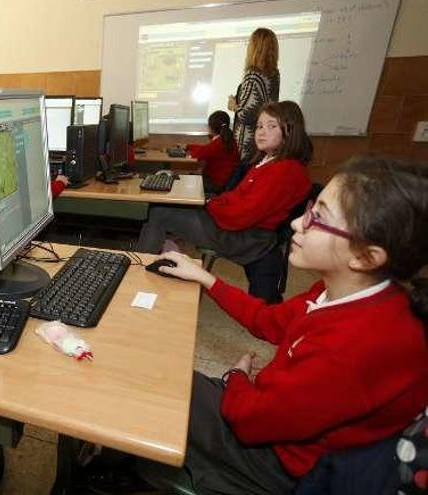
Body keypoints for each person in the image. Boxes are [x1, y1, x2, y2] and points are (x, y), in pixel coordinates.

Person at [153, 155, 428, 494]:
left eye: (318, 218)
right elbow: (266, 320)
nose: (299, 223)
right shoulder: (343, 291)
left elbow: (250, 421)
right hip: (271, 418)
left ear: (365, 256)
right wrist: (207, 279)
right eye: (311, 208)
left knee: (154, 385)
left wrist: (235, 378)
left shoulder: (353, 348)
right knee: (165, 376)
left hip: (276, 463)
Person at [135, 101, 312, 266]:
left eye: (271, 126)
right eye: (259, 126)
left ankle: (136, 268)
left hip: (244, 239)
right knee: (166, 210)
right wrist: (214, 203)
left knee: (159, 214)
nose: (261, 131)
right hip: (238, 229)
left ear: (289, 131)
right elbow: (237, 196)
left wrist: (211, 205)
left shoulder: (285, 170)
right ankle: (157, 254)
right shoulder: (271, 161)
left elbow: (242, 214)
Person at [230, 28, 280, 163]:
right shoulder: (274, 75)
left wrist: (234, 106)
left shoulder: (253, 75)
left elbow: (246, 114)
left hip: (246, 142)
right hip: (264, 138)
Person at [186, 110, 239, 193]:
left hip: (216, 184)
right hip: (223, 182)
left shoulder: (218, 143)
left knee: (187, 181)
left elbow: (199, 153)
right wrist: (189, 146)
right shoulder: (229, 140)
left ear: (211, 127)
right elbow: (205, 149)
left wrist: (187, 147)